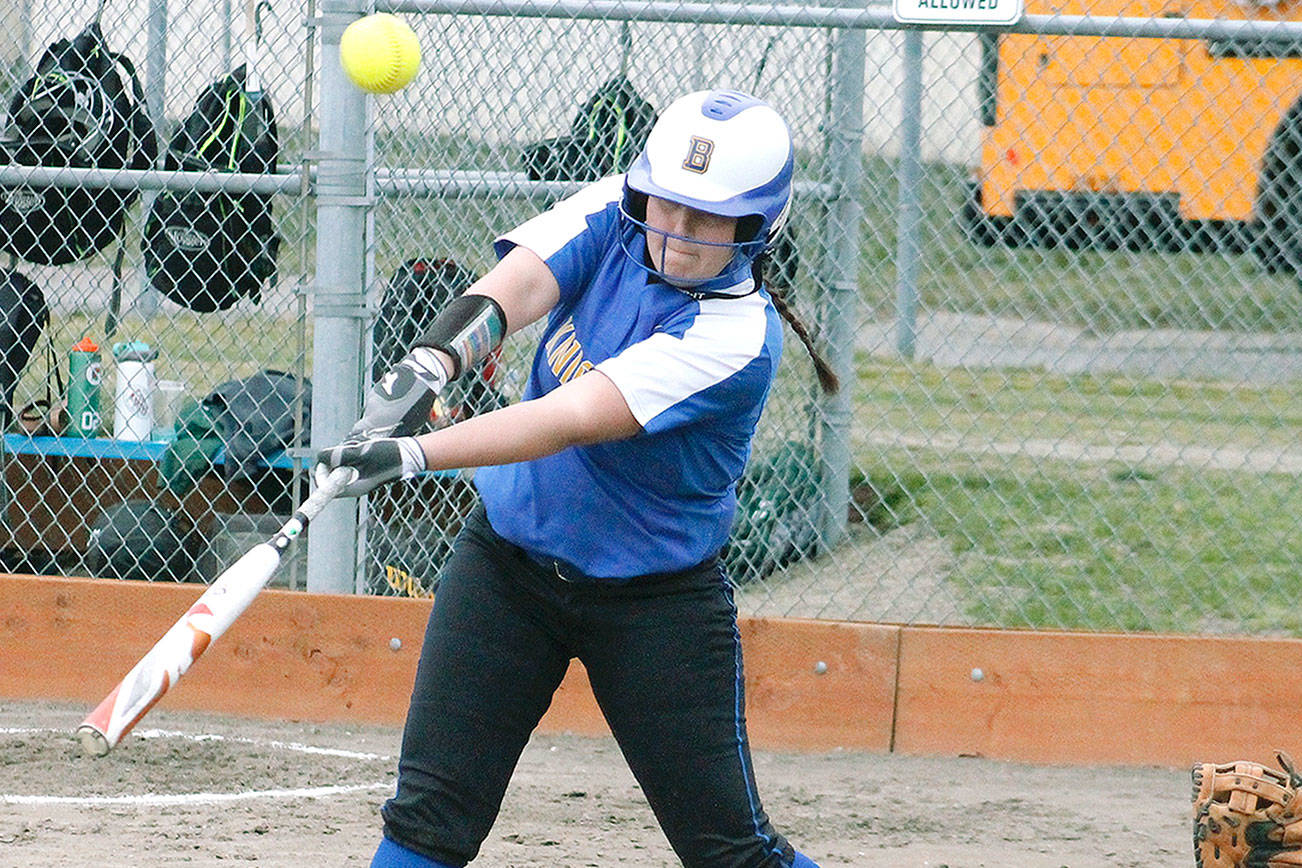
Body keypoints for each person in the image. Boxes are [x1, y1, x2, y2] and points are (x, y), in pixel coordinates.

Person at [316, 88, 838, 868]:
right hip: (509, 568)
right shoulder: (615, 215)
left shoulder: (735, 338)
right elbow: (515, 289)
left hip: (653, 602)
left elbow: (567, 417)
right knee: (428, 819)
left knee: (729, 852)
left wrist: (413, 452)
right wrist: (429, 363)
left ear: (756, 229)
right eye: (665, 204)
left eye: (705, 219)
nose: (675, 232)